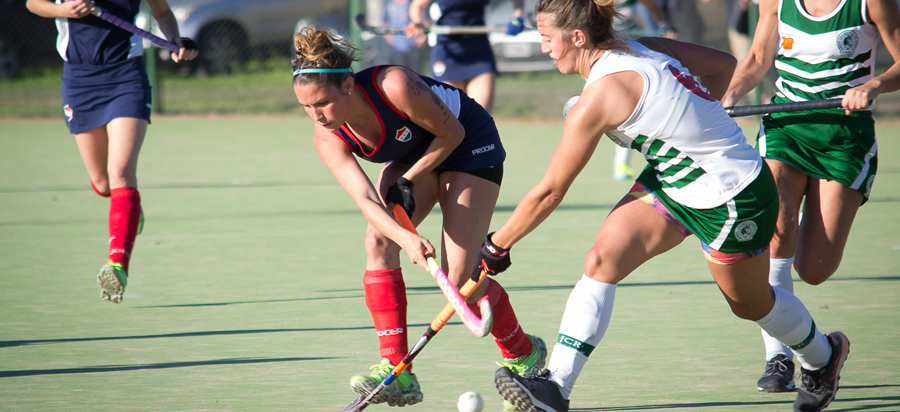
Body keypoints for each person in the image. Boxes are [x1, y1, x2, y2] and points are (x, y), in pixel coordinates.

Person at [468, 1, 850, 411]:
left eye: (548, 39)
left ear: (577, 37)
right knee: (602, 259)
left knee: (750, 303)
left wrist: (496, 244)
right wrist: (694, 120)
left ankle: (823, 356)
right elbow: (722, 65)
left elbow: (550, 192)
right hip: (674, 178)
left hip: (733, 195)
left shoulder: (600, 97)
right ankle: (556, 386)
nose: (544, 47)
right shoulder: (642, 45)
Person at [290, 25, 546, 408]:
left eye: (322, 103)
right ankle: (398, 371)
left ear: (347, 85)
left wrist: (408, 179)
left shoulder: (393, 85)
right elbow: (366, 201)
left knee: (460, 281)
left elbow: (452, 133)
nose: (317, 115)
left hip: (469, 144)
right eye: (306, 107)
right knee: (379, 241)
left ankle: (525, 355)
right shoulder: (327, 135)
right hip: (413, 157)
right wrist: (406, 237)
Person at [720, 0, 900, 394]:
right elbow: (757, 57)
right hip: (786, 125)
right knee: (776, 235)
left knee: (815, 269)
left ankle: (830, 345)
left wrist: (873, 85)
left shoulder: (871, 3)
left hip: (844, 137)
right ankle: (779, 357)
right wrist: (732, 92)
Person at [26, 0, 198, 303]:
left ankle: (117, 266)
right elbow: (33, 3)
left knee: (120, 174)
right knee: (103, 183)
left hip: (126, 77)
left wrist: (176, 41)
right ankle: (130, 208)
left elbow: (162, 12)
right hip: (79, 80)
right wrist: (64, 11)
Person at [407, 0, 526, 113]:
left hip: (479, 51)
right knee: (450, 116)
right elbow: (417, 6)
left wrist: (518, 17)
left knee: (480, 116)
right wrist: (418, 22)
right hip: (448, 52)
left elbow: (518, 3)